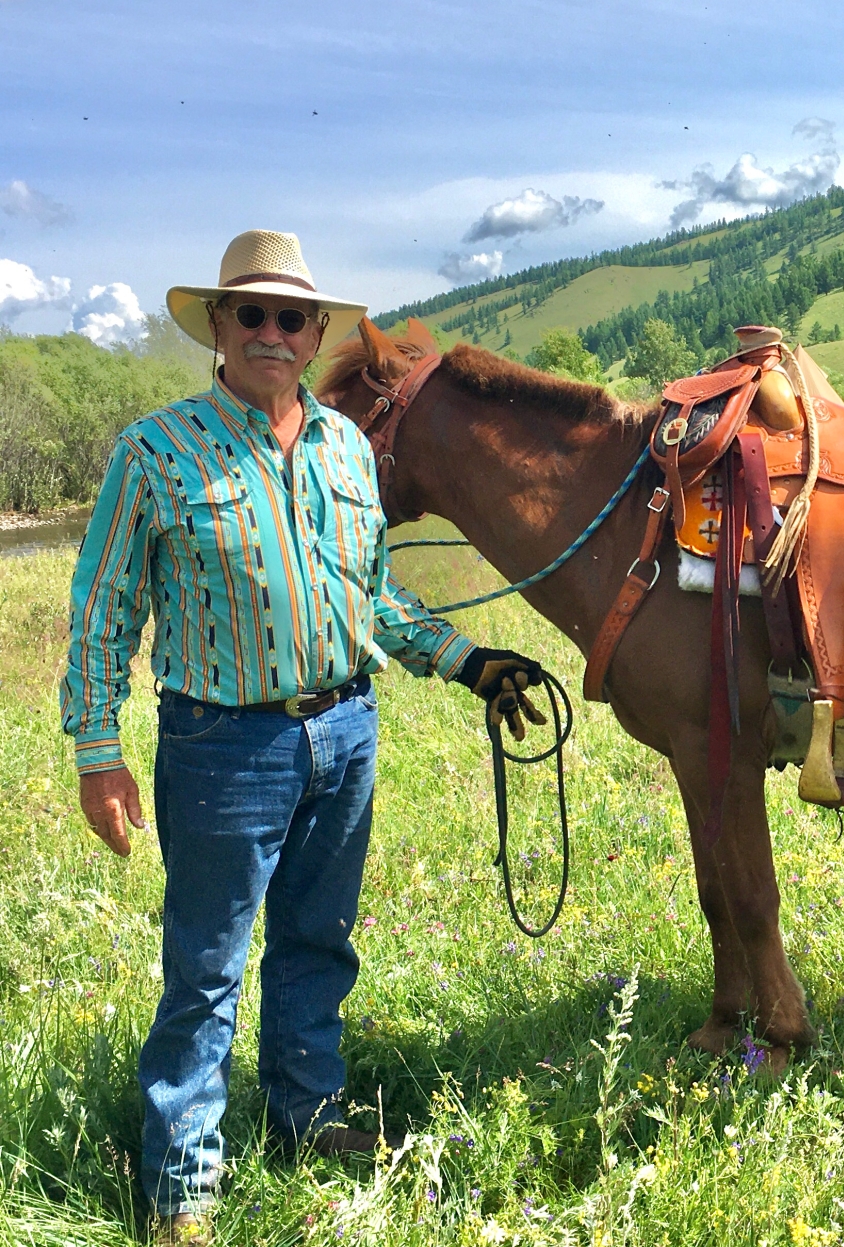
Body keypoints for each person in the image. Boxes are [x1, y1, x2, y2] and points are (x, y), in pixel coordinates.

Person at [60, 230, 540, 1244]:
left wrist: (467, 660)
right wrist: (96, 748)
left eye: (292, 317)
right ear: (220, 328)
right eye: (253, 314)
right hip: (222, 747)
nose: (273, 332)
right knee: (207, 964)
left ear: (315, 330)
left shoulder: (345, 448)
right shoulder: (154, 451)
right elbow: (105, 607)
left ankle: (308, 1111)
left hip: (347, 731)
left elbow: (372, 594)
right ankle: (182, 1183)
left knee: (319, 941)